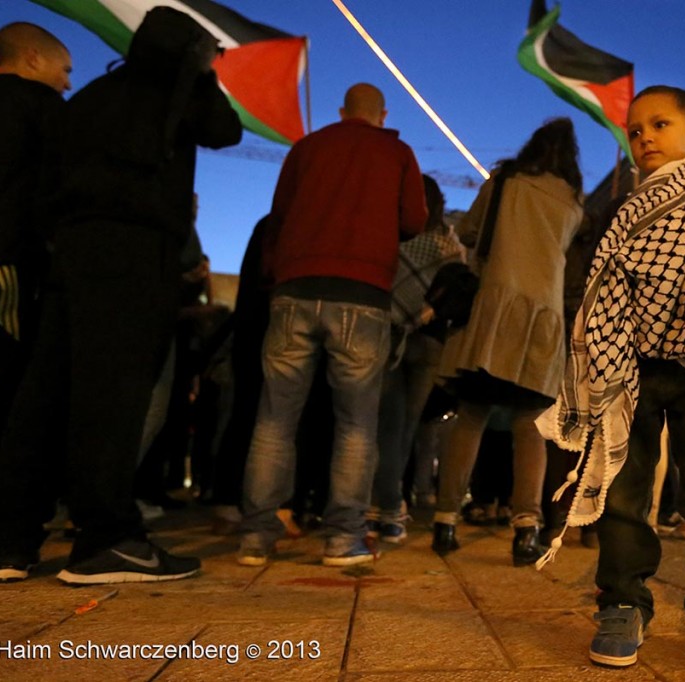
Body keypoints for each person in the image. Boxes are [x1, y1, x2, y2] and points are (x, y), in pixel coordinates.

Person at [0, 7, 242, 585]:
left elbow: (48, 182)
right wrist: (199, 73)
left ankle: (9, 543)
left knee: (44, 396)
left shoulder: (92, 98)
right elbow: (227, 130)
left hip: (71, 252)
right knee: (114, 399)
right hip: (135, 257)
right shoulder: (177, 91)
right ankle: (107, 539)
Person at [537, 86, 685, 674]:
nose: (644, 139)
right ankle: (621, 601)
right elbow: (606, 285)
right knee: (625, 490)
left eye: (659, 125)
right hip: (629, 369)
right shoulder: (627, 209)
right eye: (635, 131)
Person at [237, 83, 427, 568]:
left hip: (295, 288)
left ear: (341, 112)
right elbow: (413, 220)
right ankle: (343, 537)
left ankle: (256, 537)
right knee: (357, 423)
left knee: (275, 418)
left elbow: (278, 216)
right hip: (361, 294)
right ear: (382, 114)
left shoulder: (306, 148)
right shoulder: (398, 151)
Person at [432, 118, 584, 567]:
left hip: (495, 311)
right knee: (529, 426)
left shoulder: (504, 181)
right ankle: (526, 529)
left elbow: (470, 232)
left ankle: (444, 520)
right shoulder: (573, 202)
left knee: (472, 416)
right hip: (543, 319)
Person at [0, 22, 71, 563]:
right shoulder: (38, 105)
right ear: (31, 59)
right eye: (65, 69)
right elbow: (60, 188)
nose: (67, 83)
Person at [368, 175, 466, 543]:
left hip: (390, 336)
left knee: (385, 427)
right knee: (407, 428)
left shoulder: (395, 238)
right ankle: (393, 505)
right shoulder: (449, 244)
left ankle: (383, 506)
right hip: (431, 343)